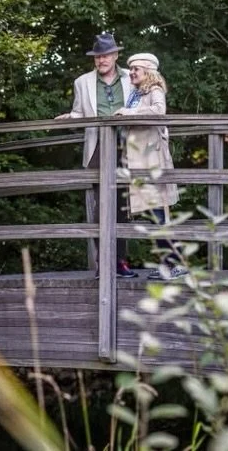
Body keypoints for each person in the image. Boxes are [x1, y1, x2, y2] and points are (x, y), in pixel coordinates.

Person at [55, 32, 137, 278]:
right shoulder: (82, 82)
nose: (101, 61)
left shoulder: (131, 78)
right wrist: (72, 117)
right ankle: (104, 264)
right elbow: (80, 112)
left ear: (115, 56)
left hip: (127, 146)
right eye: (97, 57)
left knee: (123, 207)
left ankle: (120, 262)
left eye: (106, 56)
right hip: (98, 146)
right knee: (102, 206)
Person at [114, 53, 186, 280]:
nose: (132, 72)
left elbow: (158, 111)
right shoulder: (137, 93)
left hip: (151, 161)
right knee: (154, 214)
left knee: (158, 213)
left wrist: (130, 112)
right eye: (131, 69)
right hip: (138, 160)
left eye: (136, 69)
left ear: (148, 72)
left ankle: (175, 264)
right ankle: (170, 263)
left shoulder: (154, 89)